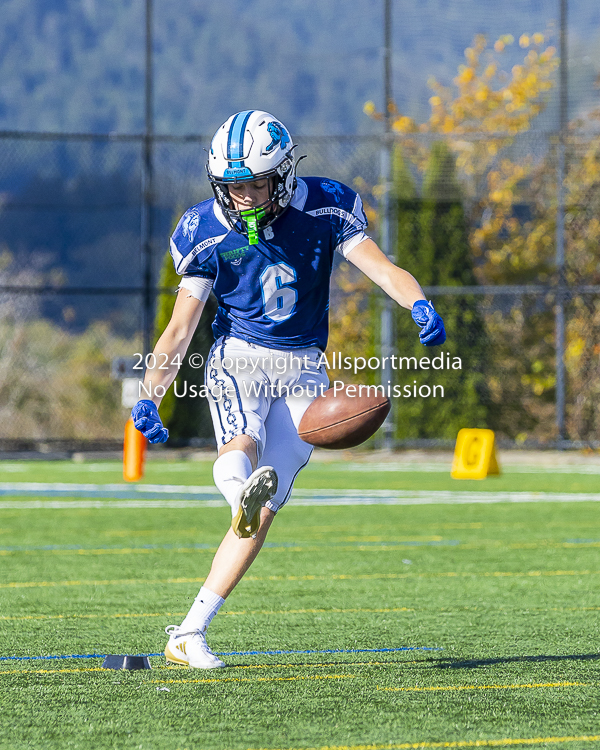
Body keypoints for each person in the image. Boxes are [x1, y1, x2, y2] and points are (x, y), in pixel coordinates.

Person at [131, 110, 446, 669]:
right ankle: (237, 496)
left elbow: (381, 269)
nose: (242, 198)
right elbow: (180, 330)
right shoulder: (204, 230)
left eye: (254, 183)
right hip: (238, 357)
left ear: (282, 174)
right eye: (231, 187)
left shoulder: (325, 205)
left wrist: (416, 300)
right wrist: (150, 393)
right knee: (243, 449)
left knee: (267, 501)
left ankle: (189, 632)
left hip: (305, 367)